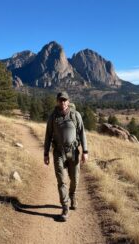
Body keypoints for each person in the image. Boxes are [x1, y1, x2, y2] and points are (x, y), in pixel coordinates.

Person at [44, 91, 89, 222]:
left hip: (74, 152)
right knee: (61, 180)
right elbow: (48, 136)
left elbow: (82, 133)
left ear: (68, 102)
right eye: (60, 100)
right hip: (58, 152)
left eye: (65, 100)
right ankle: (65, 206)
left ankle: (72, 195)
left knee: (75, 179)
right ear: (57, 102)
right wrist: (46, 153)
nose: (63, 102)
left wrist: (85, 151)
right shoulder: (53, 117)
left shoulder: (76, 115)